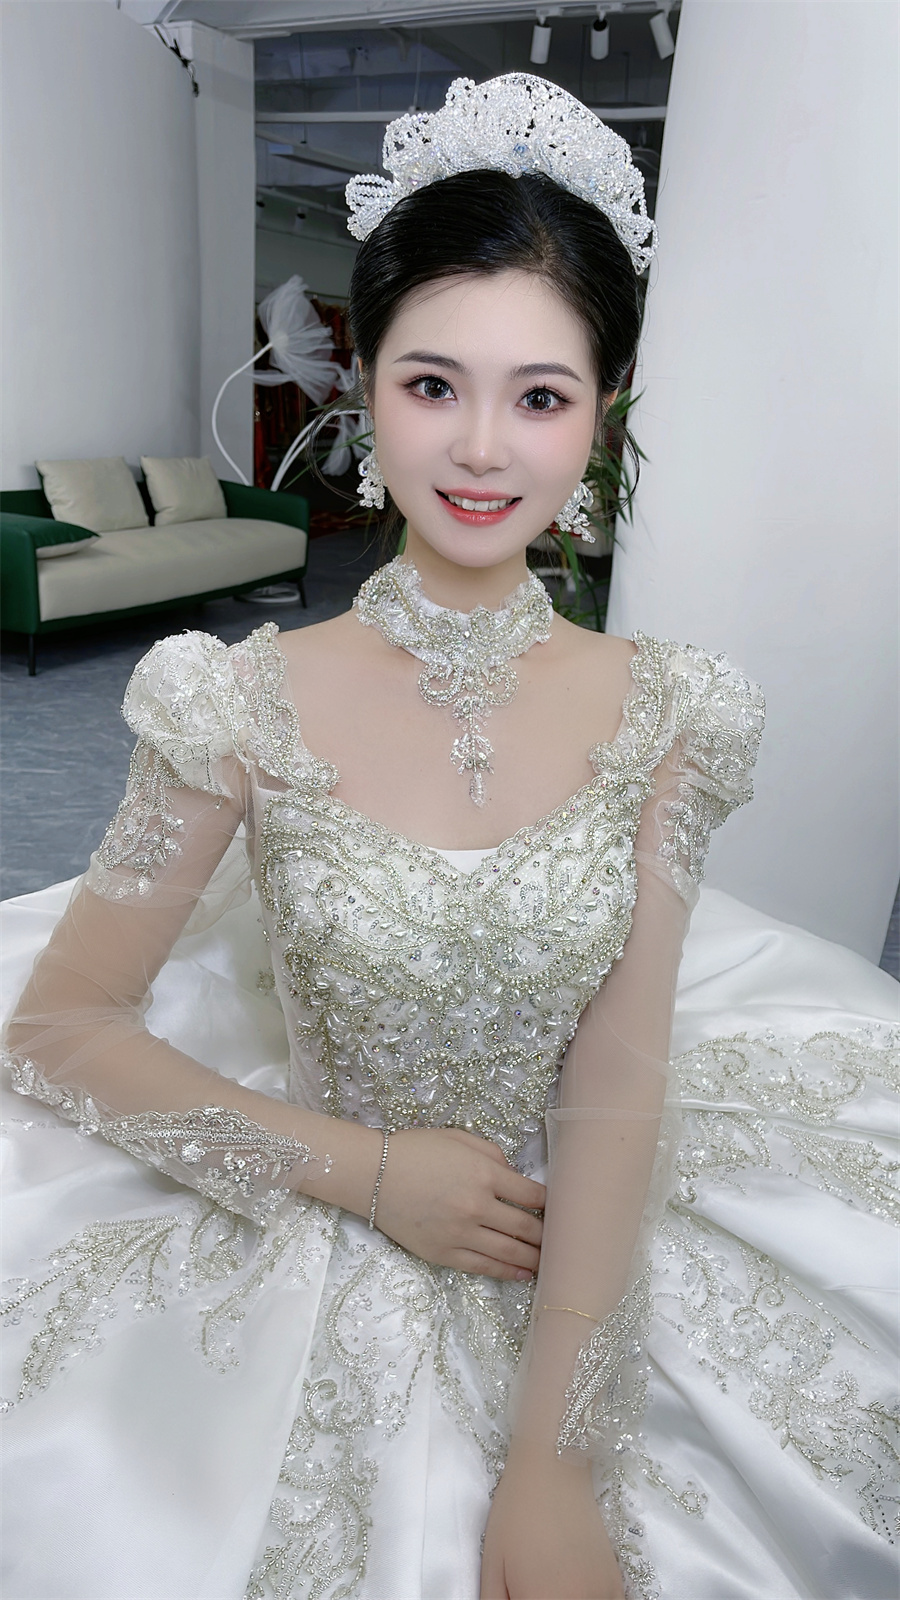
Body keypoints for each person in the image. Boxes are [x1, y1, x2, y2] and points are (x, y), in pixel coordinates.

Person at [1, 74, 896, 1600]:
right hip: (314, 1205)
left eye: (540, 396)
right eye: (434, 385)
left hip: (576, 1227)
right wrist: (364, 1172)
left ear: (604, 407)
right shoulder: (234, 699)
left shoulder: (671, 709)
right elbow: (57, 1028)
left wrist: (557, 1456)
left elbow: (617, 1073)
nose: (483, 449)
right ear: (365, 390)